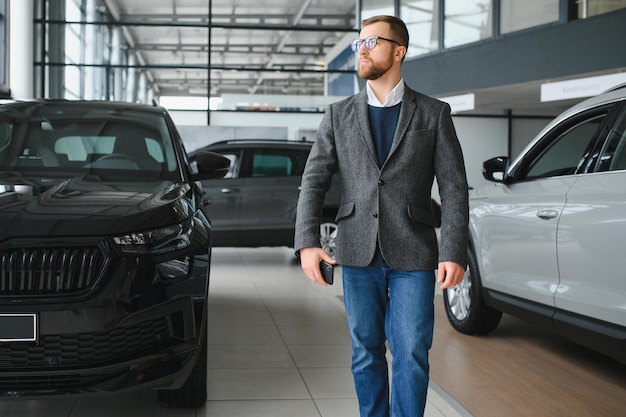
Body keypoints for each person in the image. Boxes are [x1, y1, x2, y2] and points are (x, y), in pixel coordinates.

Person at [294, 15, 469, 417]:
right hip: (357, 252)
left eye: (372, 41)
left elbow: (454, 187)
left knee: (411, 351)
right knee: (365, 352)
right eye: (359, 43)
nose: (362, 49)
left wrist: (454, 249)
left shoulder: (433, 113)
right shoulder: (338, 114)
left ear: (398, 50)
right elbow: (313, 181)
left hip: (414, 252)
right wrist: (307, 243)